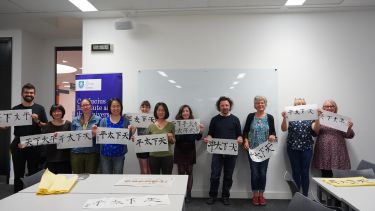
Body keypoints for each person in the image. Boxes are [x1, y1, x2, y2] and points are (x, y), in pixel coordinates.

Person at [204, 96, 243, 206]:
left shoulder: (235, 119)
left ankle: (225, 196)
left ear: (230, 106)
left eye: (226, 105)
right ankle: (212, 196)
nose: (225, 107)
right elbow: (210, 133)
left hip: (231, 152)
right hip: (217, 151)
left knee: (228, 175)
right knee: (215, 174)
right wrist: (209, 138)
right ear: (219, 107)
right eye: (222, 105)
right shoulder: (214, 119)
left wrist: (240, 138)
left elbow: (239, 134)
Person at [10, 83, 48, 193]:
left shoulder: (40, 108)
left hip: (34, 143)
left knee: (34, 172)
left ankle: (32, 195)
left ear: (34, 94)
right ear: (22, 94)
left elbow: (45, 126)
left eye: (31, 92)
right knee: (18, 172)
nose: (29, 94)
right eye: (26, 92)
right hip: (18, 143)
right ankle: (17, 195)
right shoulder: (15, 109)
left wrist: (37, 121)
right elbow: (5, 126)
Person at [281, 98, 320, 196]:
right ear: (294, 106)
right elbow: (284, 129)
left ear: (306, 105)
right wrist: (284, 118)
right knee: (296, 172)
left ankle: (305, 196)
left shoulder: (310, 116)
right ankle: (296, 196)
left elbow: (316, 130)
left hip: (306, 148)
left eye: (302, 103)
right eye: (298, 104)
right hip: (292, 148)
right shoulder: (290, 115)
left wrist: (317, 118)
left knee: (305, 172)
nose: (300, 105)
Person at [243, 96, 276, 206]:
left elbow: (273, 133)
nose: (260, 105)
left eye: (262, 103)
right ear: (255, 105)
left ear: (265, 104)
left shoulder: (270, 117)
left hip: (265, 149)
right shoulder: (251, 116)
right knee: (254, 172)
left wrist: (272, 136)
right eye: (258, 103)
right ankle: (255, 195)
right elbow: (245, 131)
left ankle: (261, 195)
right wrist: (246, 141)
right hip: (252, 149)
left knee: (262, 172)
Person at [313, 99, 355, 178]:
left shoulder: (340, 119)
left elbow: (349, 135)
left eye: (331, 106)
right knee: (325, 175)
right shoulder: (318, 118)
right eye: (327, 106)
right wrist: (318, 117)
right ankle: (325, 190)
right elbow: (315, 132)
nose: (329, 108)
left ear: (335, 108)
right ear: (323, 108)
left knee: (339, 177)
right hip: (324, 151)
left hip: (338, 152)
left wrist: (349, 128)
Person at [174, 105, 204, 203]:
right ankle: (181, 194)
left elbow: (198, 138)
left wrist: (201, 131)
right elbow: (176, 139)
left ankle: (189, 194)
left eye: (187, 111)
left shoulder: (194, 123)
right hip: (179, 150)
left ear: (190, 113)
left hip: (190, 150)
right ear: (181, 113)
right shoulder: (176, 124)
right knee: (181, 173)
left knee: (190, 172)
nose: (185, 113)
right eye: (183, 111)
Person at [99, 98, 134, 174]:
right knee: (106, 177)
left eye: (118, 106)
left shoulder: (125, 121)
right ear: (109, 108)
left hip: (119, 155)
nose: (116, 108)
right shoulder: (103, 121)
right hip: (105, 155)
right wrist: (95, 132)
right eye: (113, 106)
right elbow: (99, 137)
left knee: (118, 176)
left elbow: (127, 137)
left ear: (121, 107)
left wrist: (132, 132)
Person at [71, 98, 101, 174]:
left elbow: (101, 137)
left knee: (91, 177)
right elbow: (71, 136)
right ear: (80, 107)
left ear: (91, 106)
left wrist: (95, 135)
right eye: (83, 105)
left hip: (92, 153)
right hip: (77, 153)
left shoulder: (98, 119)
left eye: (87, 105)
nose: (85, 107)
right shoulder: (75, 120)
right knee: (77, 177)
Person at [41, 104, 72, 174]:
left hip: (65, 158)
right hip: (51, 158)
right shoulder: (47, 126)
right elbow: (42, 141)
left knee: (64, 180)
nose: (56, 113)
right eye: (54, 112)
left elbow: (73, 140)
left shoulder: (68, 124)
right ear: (51, 113)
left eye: (59, 111)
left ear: (62, 112)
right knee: (52, 181)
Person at [147, 102, 175, 175]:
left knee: (167, 179)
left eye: (163, 110)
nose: (161, 112)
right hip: (153, 157)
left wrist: (171, 138)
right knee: (155, 179)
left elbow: (173, 142)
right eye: (159, 110)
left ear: (166, 112)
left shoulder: (171, 125)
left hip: (167, 156)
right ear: (156, 112)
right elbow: (146, 142)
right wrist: (136, 139)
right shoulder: (150, 126)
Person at [135, 100, 152, 174]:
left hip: (151, 146)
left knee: (150, 169)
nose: (144, 109)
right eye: (143, 107)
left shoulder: (153, 119)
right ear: (140, 108)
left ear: (149, 108)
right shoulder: (136, 119)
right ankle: (143, 185)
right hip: (141, 146)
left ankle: (149, 184)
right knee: (143, 170)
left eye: (147, 107)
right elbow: (132, 131)